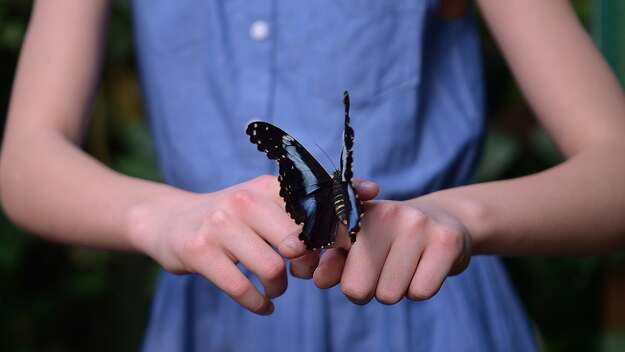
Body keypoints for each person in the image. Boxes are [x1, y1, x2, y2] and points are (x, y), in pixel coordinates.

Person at [2, 0, 625, 351]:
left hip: (428, 312)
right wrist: (162, 216)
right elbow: (28, 159)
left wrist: (458, 217)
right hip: (216, 324)